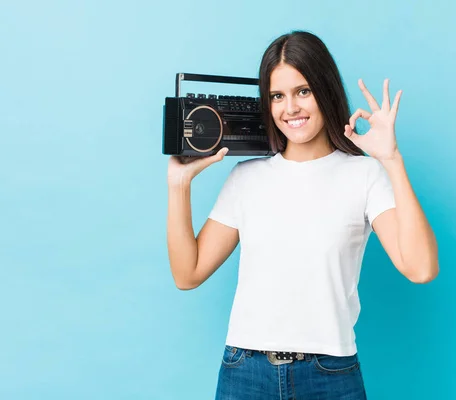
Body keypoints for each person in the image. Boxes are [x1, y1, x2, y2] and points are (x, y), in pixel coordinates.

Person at [166, 30, 439, 400]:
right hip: (245, 372)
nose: (290, 108)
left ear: (325, 91)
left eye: (303, 91)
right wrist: (179, 185)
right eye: (277, 95)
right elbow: (187, 274)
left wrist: (391, 160)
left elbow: (420, 268)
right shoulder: (246, 178)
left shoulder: (365, 175)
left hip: (330, 375)